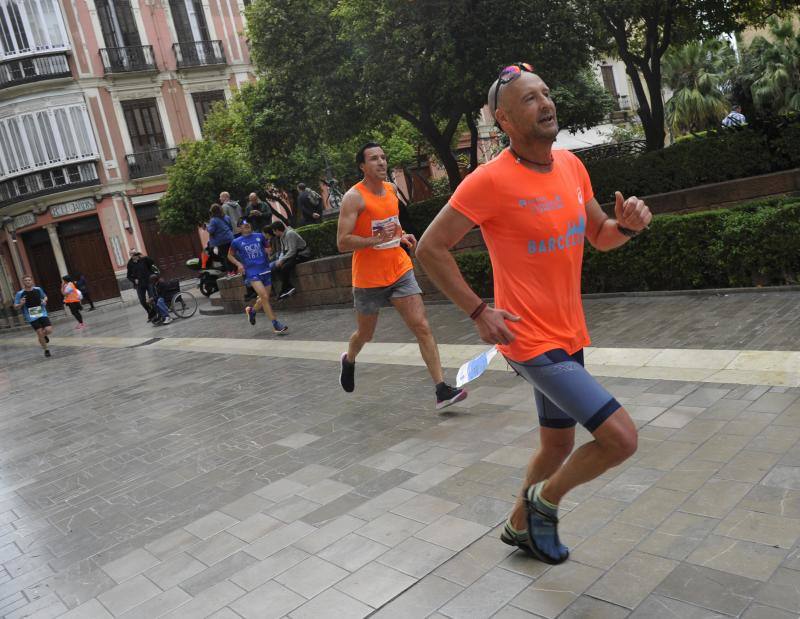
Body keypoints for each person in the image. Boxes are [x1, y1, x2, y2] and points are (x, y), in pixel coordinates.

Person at [416, 64, 651, 565]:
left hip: (569, 332)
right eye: (529, 99)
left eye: (546, 93)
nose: (545, 103)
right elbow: (432, 248)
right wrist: (479, 311)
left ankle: (518, 527)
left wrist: (626, 227)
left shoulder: (571, 167)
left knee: (555, 446)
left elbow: (600, 235)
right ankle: (544, 504)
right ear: (502, 118)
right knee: (620, 437)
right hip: (528, 339)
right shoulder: (488, 181)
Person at [336, 141, 467, 410]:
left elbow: (391, 224)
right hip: (368, 278)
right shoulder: (354, 197)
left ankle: (441, 389)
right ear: (362, 166)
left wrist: (401, 235)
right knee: (365, 334)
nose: (381, 162)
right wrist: (373, 240)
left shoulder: (391, 189)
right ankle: (349, 359)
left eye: (383, 157)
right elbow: (342, 242)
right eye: (374, 159)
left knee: (422, 326)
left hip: (398, 268)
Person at [228, 220, 288, 335]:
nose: (246, 224)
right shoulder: (236, 242)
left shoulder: (260, 236)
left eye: (248, 223)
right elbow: (229, 255)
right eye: (243, 224)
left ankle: (252, 311)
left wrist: (268, 251)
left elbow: (268, 247)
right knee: (264, 297)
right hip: (252, 272)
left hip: (265, 270)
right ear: (239, 229)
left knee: (263, 298)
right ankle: (275, 324)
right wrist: (239, 264)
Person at [268, 221, 312, 299]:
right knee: (278, 267)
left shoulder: (290, 234)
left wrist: (282, 260)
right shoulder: (281, 237)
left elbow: (292, 251)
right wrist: (280, 260)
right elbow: (282, 251)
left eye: (274, 231)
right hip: (293, 255)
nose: (274, 233)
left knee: (285, 267)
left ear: (277, 230)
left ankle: (286, 289)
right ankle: (287, 287)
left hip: (302, 254)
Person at [14, 275, 53, 357]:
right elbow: (15, 306)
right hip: (30, 315)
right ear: (23, 282)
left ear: (32, 281)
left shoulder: (38, 289)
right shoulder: (20, 293)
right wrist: (21, 303)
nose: (28, 282)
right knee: (39, 332)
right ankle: (46, 350)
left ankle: (44, 336)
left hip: (41, 312)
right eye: (26, 280)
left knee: (49, 330)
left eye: (29, 280)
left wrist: (44, 301)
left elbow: (45, 297)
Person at [127, 249, 159, 322]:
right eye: (132, 254)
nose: (134, 255)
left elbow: (152, 262)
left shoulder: (144, 259)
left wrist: (143, 256)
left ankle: (156, 314)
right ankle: (150, 313)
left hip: (149, 282)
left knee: (152, 298)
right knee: (142, 301)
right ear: (130, 255)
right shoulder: (130, 264)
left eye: (135, 253)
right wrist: (134, 280)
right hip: (139, 285)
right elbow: (128, 276)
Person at [206, 203, 235, 274]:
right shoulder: (226, 217)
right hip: (230, 238)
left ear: (212, 211)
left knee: (225, 256)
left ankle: (231, 271)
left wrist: (207, 227)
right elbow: (230, 227)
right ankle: (236, 268)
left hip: (222, 241)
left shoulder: (213, 220)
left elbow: (211, 230)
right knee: (233, 254)